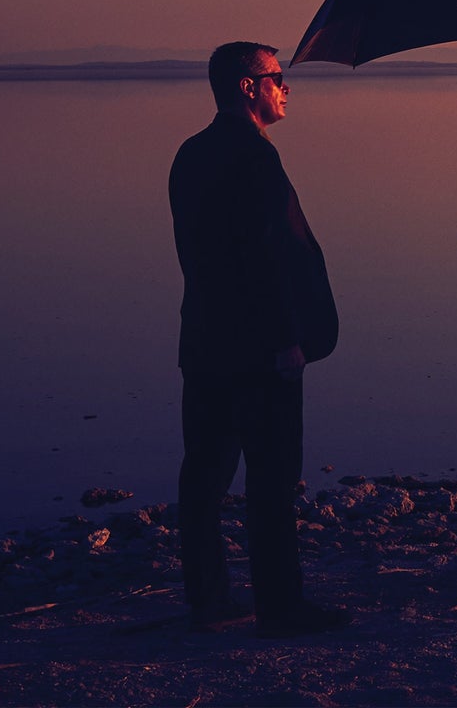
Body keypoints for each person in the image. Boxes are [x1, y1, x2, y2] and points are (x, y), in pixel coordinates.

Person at [169, 42, 346, 638]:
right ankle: (280, 607)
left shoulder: (190, 154)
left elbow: (199, 257)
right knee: (270, 480)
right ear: (248, 87)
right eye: (277, 78)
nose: (286, 88)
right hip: (260, 350)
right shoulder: (253, 158)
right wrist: (291, 339)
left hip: (205, 343)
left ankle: (210, 598)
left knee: (206, 476)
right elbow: (269, 259)